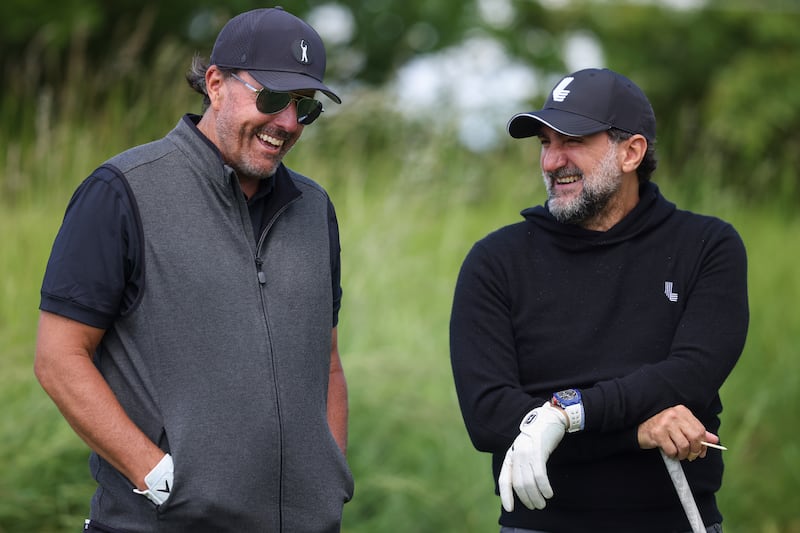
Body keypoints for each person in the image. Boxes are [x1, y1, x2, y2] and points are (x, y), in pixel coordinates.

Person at [34, 7, 353, 532]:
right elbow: (59, 358)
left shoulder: (314, 209)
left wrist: (329, 482)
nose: (288, 123)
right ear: (215, 84)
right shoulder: (122, 191)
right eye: (272, 99)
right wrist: (159, 478)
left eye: (305, 106)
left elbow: (327, 362)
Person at [449, 68, 748, 532]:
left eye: (572, 140)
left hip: (673, 520)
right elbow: (490, 418)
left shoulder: (706, 246)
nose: (551, 161)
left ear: (631, 152)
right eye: (545, 144)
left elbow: (689, 377)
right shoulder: (496, 260)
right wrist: (637, 432)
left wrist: (564, 416)